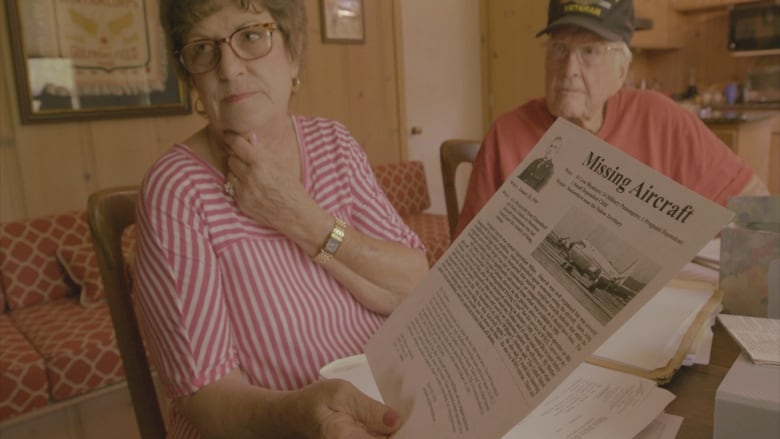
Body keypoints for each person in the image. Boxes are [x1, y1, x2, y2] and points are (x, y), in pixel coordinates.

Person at [133, 1, 429, 437]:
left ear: (293, 55)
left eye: (251, 35)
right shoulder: (176, 189)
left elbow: (414, 284)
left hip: (388, 409)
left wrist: (301, 217)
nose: (229, 69)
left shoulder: (333, 143)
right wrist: (302, 413)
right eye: (203, 48)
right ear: (191, 77)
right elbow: (205, 397)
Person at [455, 0, 768, 237]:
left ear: (622, 70)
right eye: (560, 49)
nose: (569, 70)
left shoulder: (661, 118)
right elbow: (465, 258)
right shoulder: (507, 134)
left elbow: (756, 204)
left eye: (589, 51)